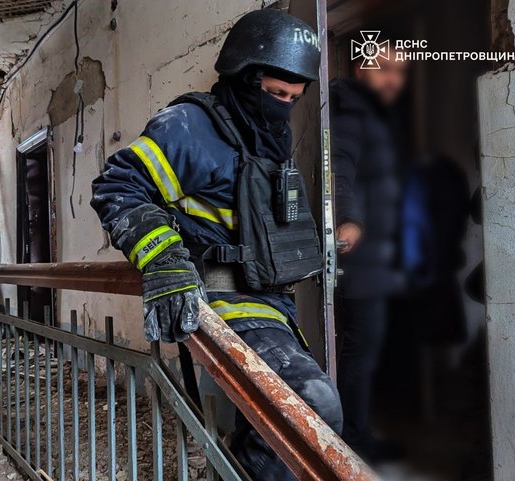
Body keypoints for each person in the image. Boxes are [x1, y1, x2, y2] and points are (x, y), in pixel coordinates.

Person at [91, 9, 342, 480]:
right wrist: (164, 260)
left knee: (279, 421)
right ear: (246, 77)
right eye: (276, 93)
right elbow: (118, 186)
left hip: (269, 298)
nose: (285, 106)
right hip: (224, 290)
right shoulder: (190, 126)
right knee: (311, 403)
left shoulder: (267, 134)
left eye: (294, 97)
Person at [330, 50, 409, 460]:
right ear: (362, 69)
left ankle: (360, 431)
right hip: (361, 255)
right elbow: (337, 169)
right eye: (385, 68)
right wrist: (350, 220)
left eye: (400, 71)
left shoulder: (375, 117)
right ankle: (353, 440)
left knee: (373, 345)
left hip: (382, 253)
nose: (394, 78)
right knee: (361, 347)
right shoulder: (350, 112)